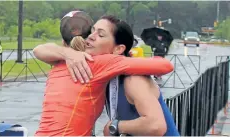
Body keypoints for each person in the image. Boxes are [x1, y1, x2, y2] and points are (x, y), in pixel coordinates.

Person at [33, 12, 174, 136]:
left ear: (118, 49)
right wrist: (68, 53)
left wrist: (113, 127)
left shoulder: (128, 77)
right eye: (92, 31)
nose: (90, 37)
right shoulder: (79, 62)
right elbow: (39, 50)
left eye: (100, 34)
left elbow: (156, 125)